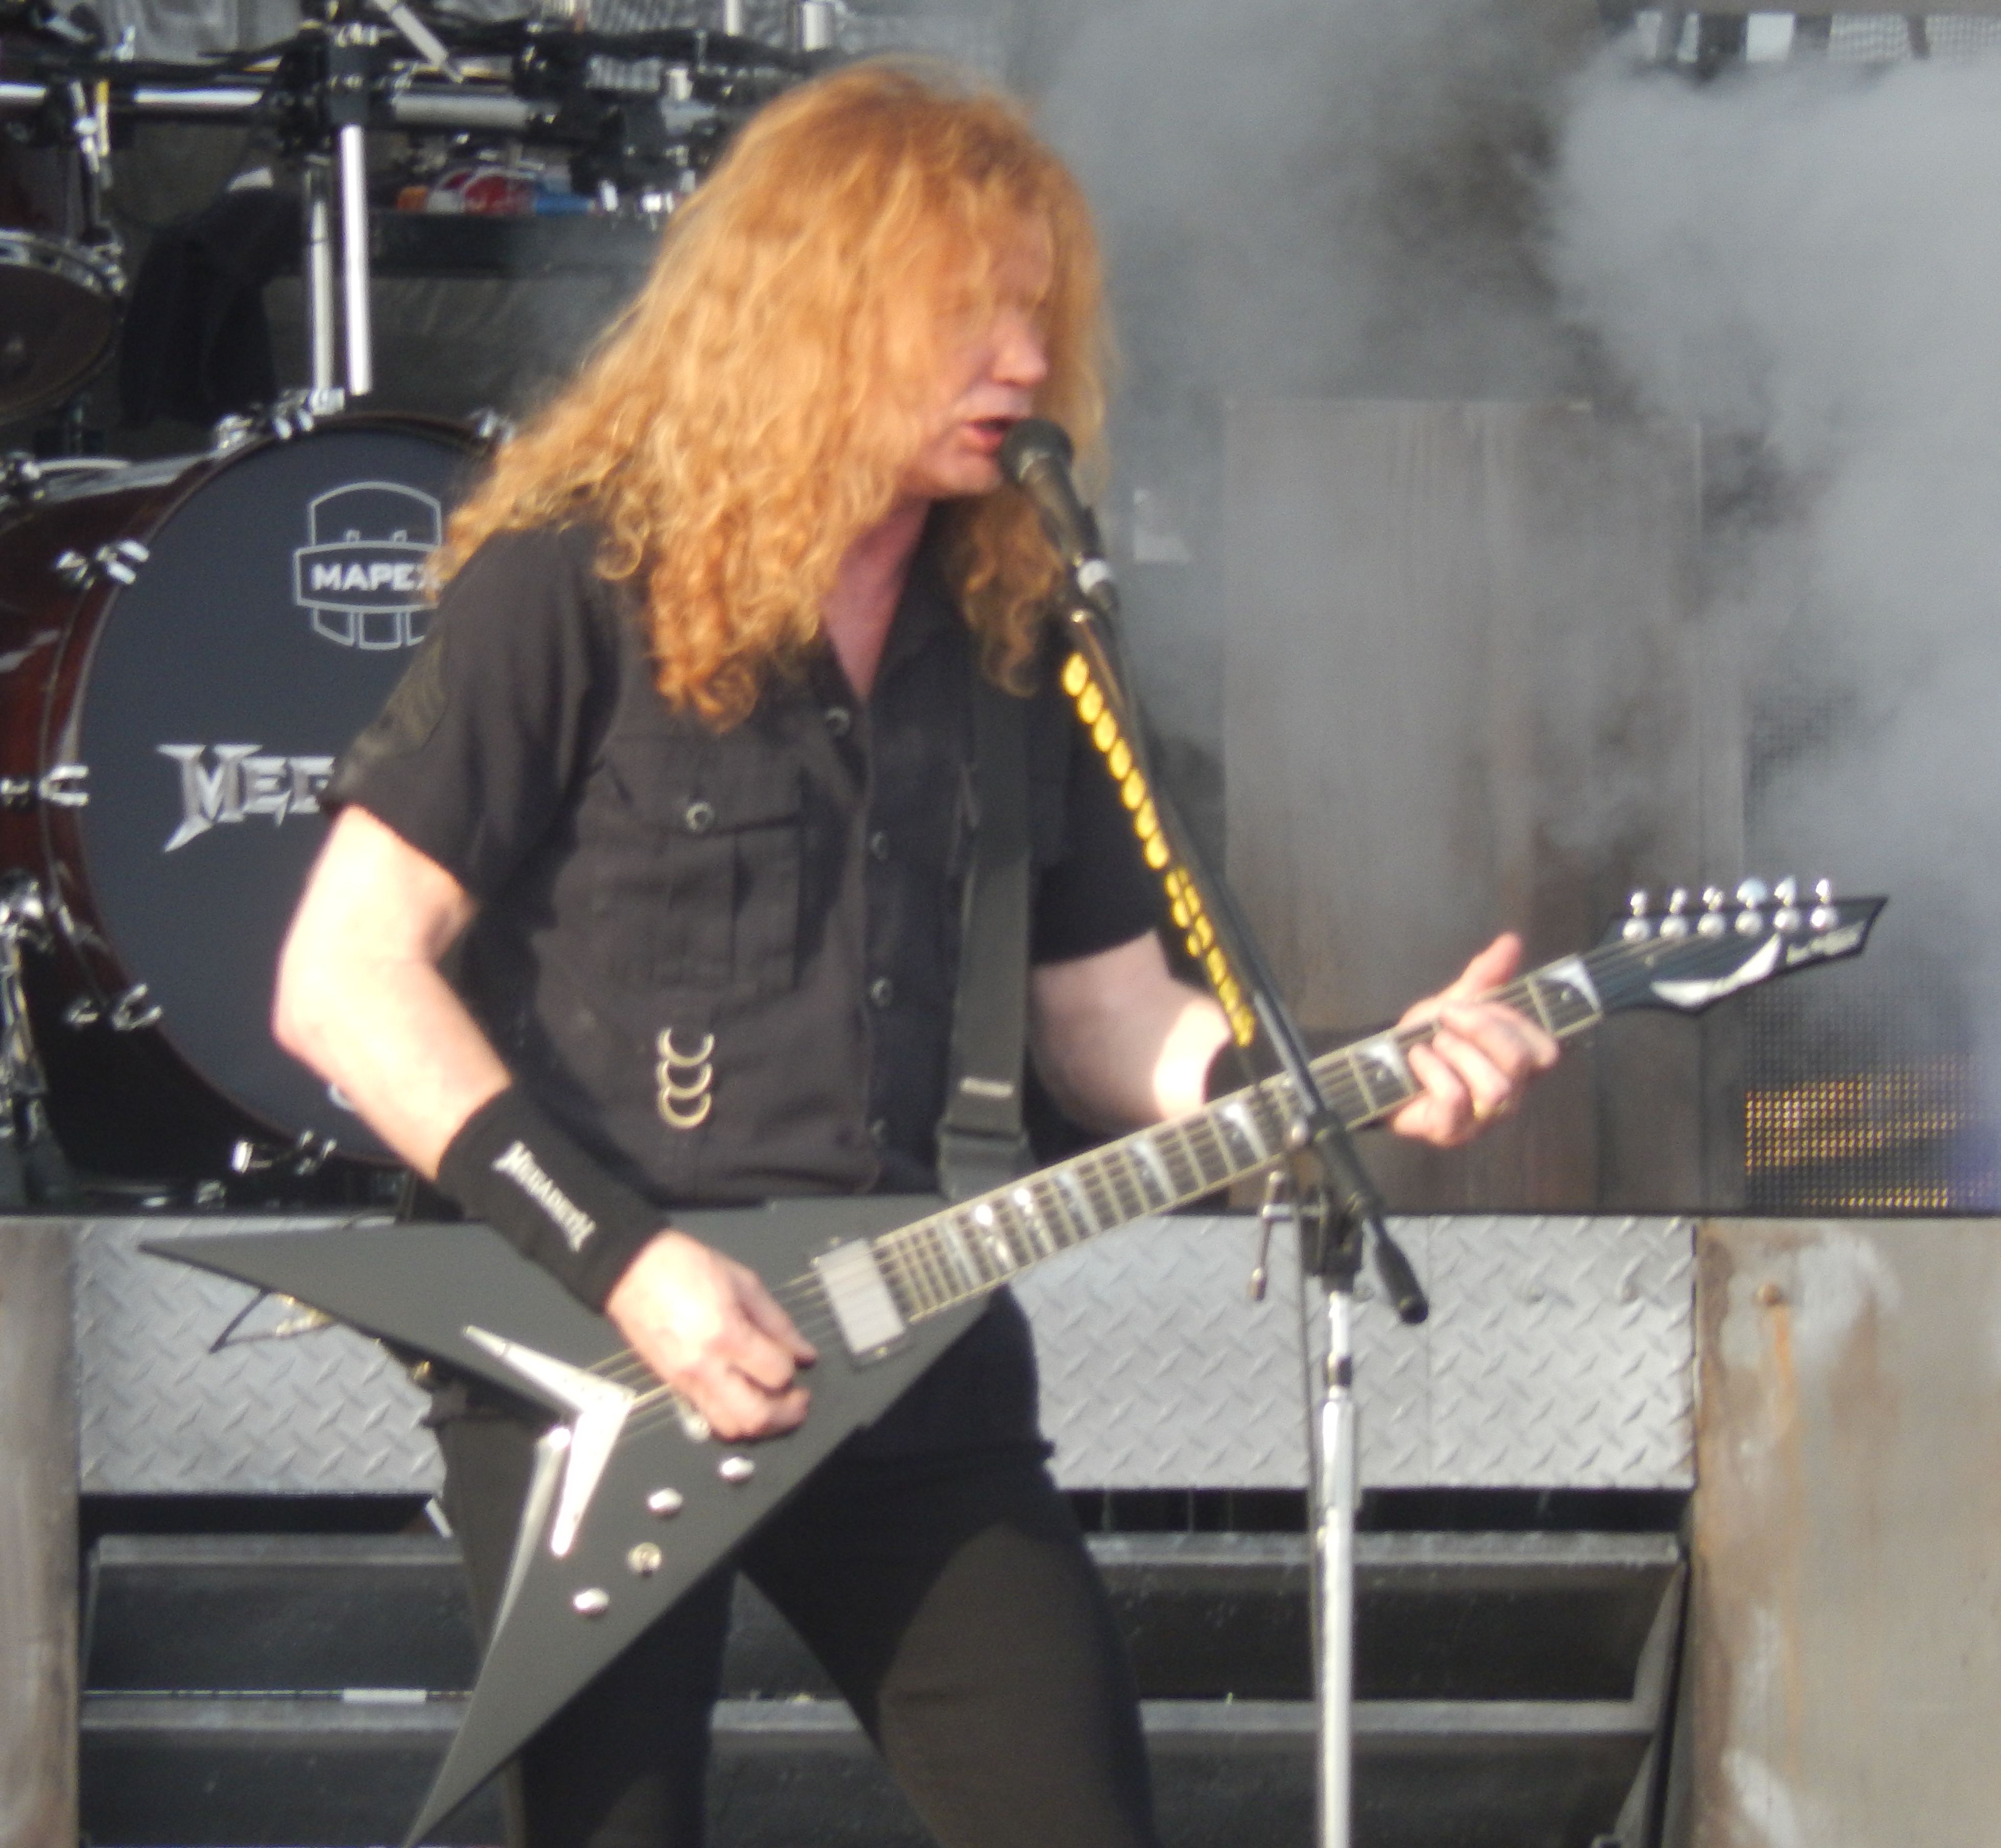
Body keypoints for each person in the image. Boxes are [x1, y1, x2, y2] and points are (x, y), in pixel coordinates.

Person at [272, 57, 1559, 1848]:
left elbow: (1107, 1020)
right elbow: (341, 979)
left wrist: (1351, 1073)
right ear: (810, 314)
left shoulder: (1018, 629)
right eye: (969, 317)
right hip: (599, 1338)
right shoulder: (572, 583)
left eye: (1040, 316)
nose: (1023, 363)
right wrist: (630, 1264)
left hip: (908, 1332)